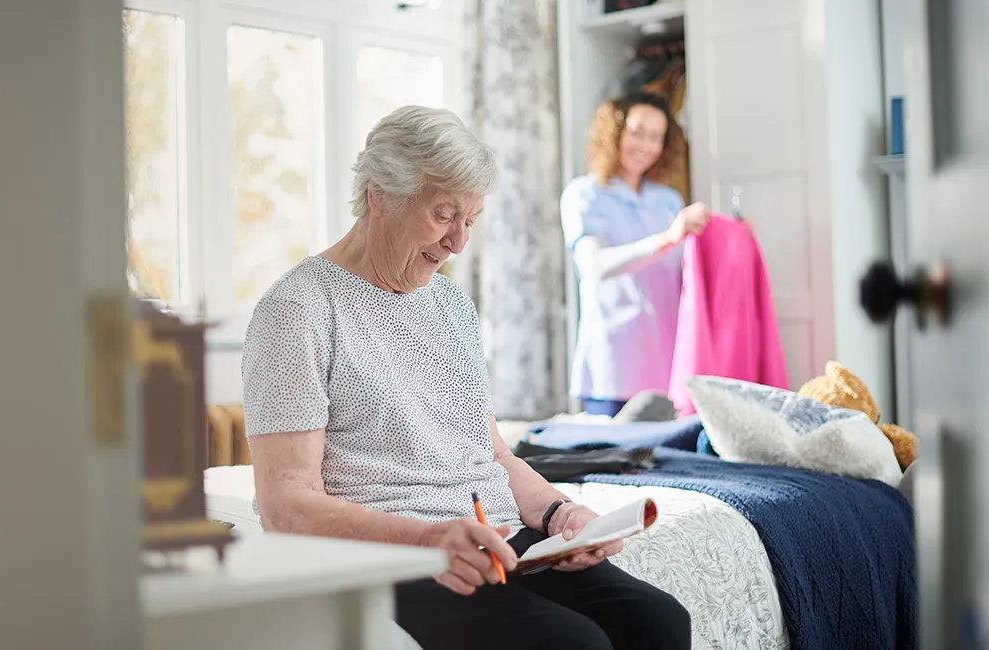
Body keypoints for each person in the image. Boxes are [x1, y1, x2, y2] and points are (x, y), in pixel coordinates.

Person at [241, 105, 690, 650]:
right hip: (398, 553)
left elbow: (491, 453)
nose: (458, 242)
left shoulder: (452, 304)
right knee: (574, 643)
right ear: (379, 195)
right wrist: (431, 538)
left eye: (470, 220)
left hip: (497, 540)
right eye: (443, 215)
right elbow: (287, 505)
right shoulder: (297, 309)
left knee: (659, 619)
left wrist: (560, 515)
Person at [562, 93, 710, 418]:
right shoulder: (584, 195)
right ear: (613, 132)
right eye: (638, 132)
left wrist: (734, 237)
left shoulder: (668, 201)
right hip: (613, 366)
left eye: (656, 137)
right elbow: (594, 267)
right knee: (612, 464)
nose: (647, 145)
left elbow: (692, 271)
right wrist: (667, 238)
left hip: (669, 366)